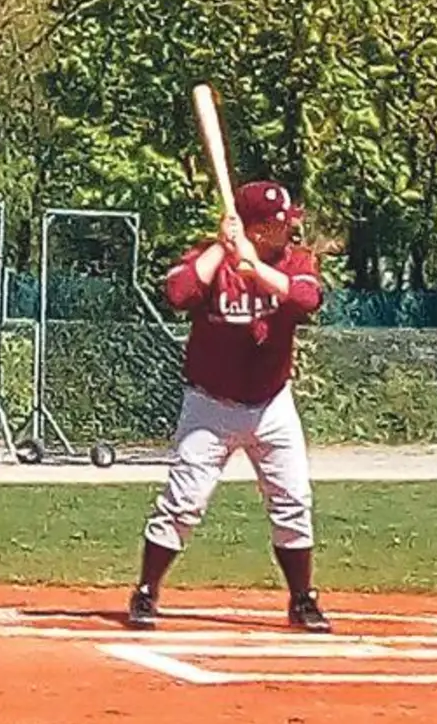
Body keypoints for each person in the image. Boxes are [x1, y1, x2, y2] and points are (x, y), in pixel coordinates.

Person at [128, 180, 330, 632]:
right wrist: (223, 247)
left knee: (293, 500)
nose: (289, 230)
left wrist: (255, 268)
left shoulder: (293, 261)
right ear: (255, 228)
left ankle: (303, 598)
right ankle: (146, 591)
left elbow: (306, 298)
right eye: (279, 224)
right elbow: (178, 294)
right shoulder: (210, 258)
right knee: (183, 501)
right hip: (210, 404)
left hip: (272, 403)